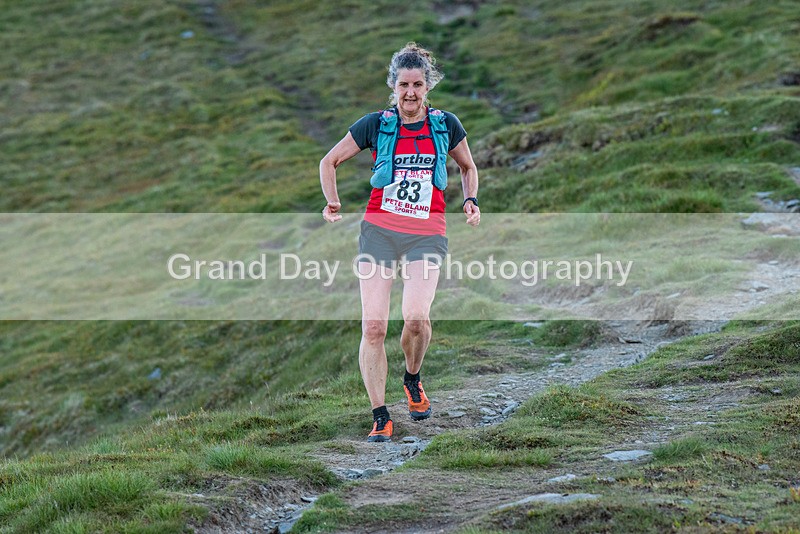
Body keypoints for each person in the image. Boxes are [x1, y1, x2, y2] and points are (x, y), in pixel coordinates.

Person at [319, 42, 480, 442]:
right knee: (373, 326)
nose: (411, 92)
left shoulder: (446, 124)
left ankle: (412, 378)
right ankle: (380, 415)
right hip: (379, 232)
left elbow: (467, 166)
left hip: (427, 232)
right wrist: (333, 200)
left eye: (418, 85)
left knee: (415, 318)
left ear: (428, 86)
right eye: (404, 85)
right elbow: (329, 161)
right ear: (394, 85)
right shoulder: (376, 124)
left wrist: (471, 199)